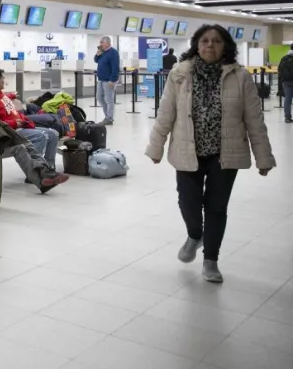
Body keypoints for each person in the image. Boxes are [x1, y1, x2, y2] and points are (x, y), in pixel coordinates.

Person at [146, 24, 275, 283]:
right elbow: (166, 112)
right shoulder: (180, 73)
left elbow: (254, 120)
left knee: (216, 208)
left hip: (224, 154)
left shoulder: (240, 76)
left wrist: (263, 157)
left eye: (216, 41)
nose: (210, 45)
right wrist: (156, 146)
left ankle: (211, 260)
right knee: (188, 202)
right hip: (187, 150)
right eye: (204, 40)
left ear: (225, 46)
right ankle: (195, 235)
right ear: (196, 44)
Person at [0, 68, 60, 168]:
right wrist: (14, 123)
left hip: (21, 125)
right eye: (3, 78)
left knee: (53, 134)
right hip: (10, 131)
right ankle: (36, 170)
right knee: (41, 136)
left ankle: (49, 168)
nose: (4, 80)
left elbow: (1, 101)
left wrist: (12, 96)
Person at [94, 36, 120, 125]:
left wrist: (113, 79)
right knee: (99, 97)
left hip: (109, 80)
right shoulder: (102, 52)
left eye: (102, 42)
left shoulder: (113, 53)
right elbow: (96, 60)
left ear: (107, 43)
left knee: (109, 99)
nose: (100, 44)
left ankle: (109, 118)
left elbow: (115, 67)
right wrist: (97, 55)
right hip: (101, 79)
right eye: (100, 42)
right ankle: (107, 116)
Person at [279, 44, 293, 123]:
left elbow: (279, 69)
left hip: (286, 82)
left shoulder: (284, 58)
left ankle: (287, 117)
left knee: (287, 99)